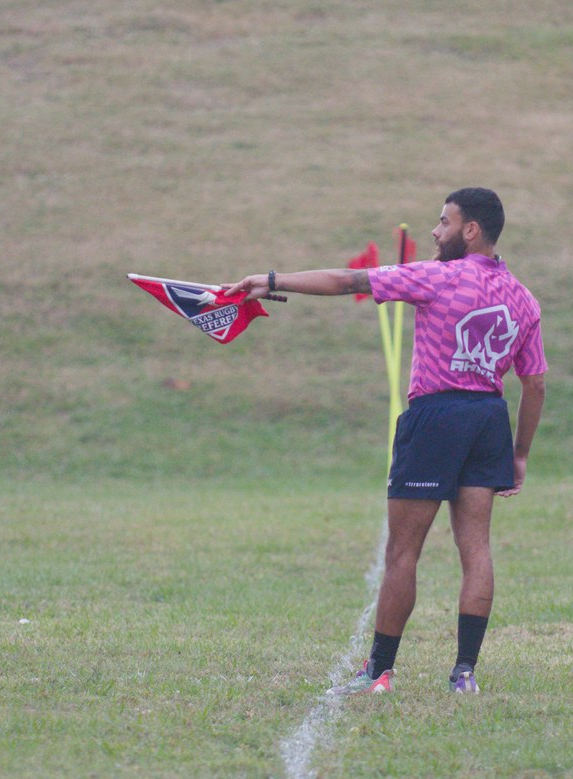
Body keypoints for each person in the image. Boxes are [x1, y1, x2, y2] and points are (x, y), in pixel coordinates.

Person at [224, 188, 547, 695]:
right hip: (488, 418)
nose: (435, 233)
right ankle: (464, 673)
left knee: (402, 552)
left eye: (443, 222)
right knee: (476, 549)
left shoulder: (437, 275)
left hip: (436, 415)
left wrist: (270, 281)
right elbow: (536, 384)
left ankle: (379, 672)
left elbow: (349, 280)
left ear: (471, 230)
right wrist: (521, 452)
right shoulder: (524, 298)